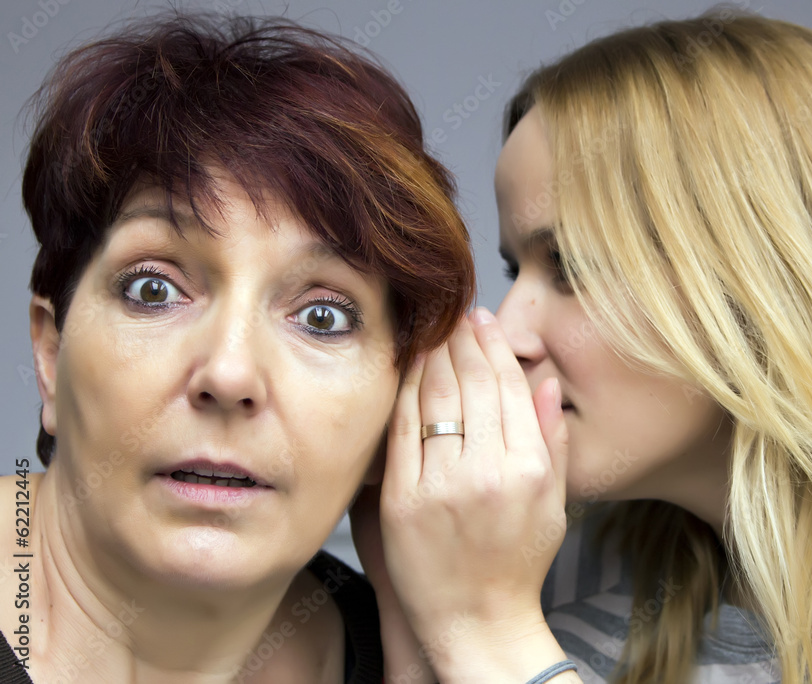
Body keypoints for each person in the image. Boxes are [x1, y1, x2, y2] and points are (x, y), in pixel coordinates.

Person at [366, 11, 812, 684]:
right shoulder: (544, 565)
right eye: (514, 270)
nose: (507, 331)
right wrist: (414, 604)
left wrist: (490, 631)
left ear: (768, 274)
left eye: (571, 267)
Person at [0, 11, 474, 684]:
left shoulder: (429, 655)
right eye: (154, 290)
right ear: (50, 355)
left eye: (321, 316)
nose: (228, 373)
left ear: (403, 399)